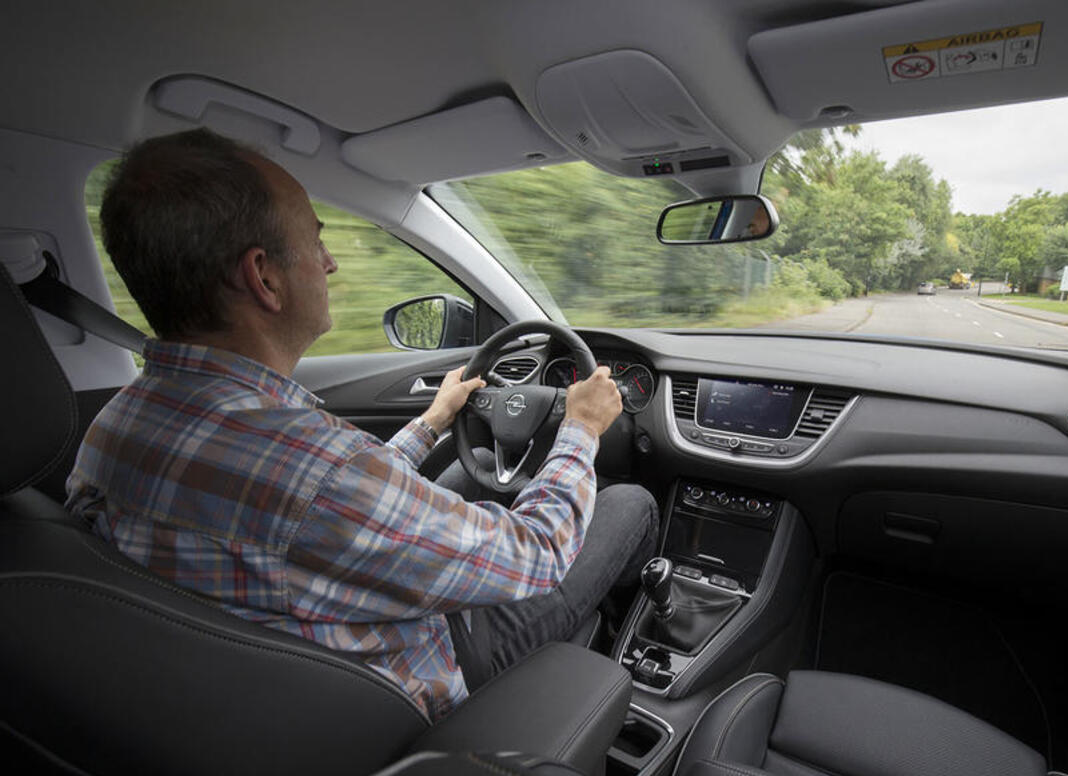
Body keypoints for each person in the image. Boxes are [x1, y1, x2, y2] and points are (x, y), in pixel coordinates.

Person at [65, 128, 658, 723]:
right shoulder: (316, 468)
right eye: (315, 240)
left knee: (457, 471)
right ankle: (616, 640)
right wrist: (580, 427)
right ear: (263, 278)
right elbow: (539, 553)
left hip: (280, 680)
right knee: (629, 502)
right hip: (426, 673)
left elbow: (330, 510)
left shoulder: (115, 427)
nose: (330, 262)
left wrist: (431, 421)